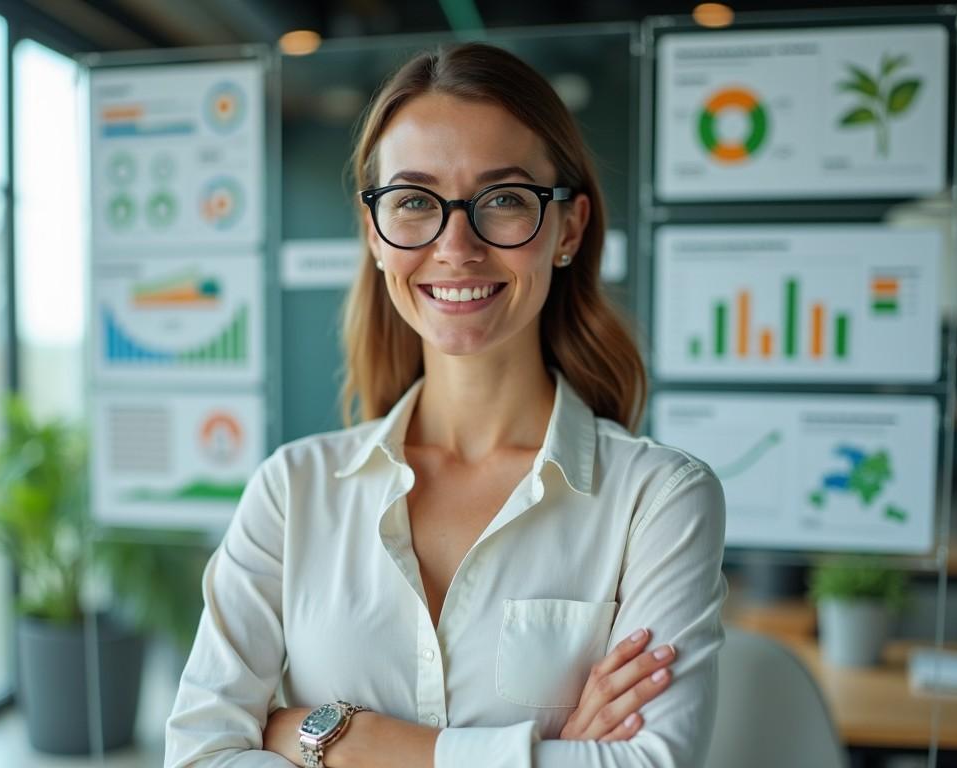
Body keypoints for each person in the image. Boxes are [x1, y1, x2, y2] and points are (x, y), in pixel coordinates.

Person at [165, 42, 726, 768]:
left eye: (502, 200)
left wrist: (338, 741)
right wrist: (543, 754)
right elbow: (199, 754)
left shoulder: (658, 500)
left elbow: (652, 765)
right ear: (376, 233)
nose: (455, 246)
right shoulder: (292, 490)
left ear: (569, 229)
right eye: (413, 202)